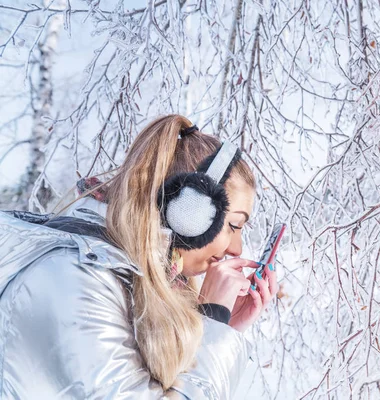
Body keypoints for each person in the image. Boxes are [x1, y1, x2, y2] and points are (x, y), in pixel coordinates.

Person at [0, 114, 278, 399]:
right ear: (188, 212)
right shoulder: (76, 279)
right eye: (233, 225)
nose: (237, 249)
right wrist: (214, 327)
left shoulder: (125, 278)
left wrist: (220, 329)